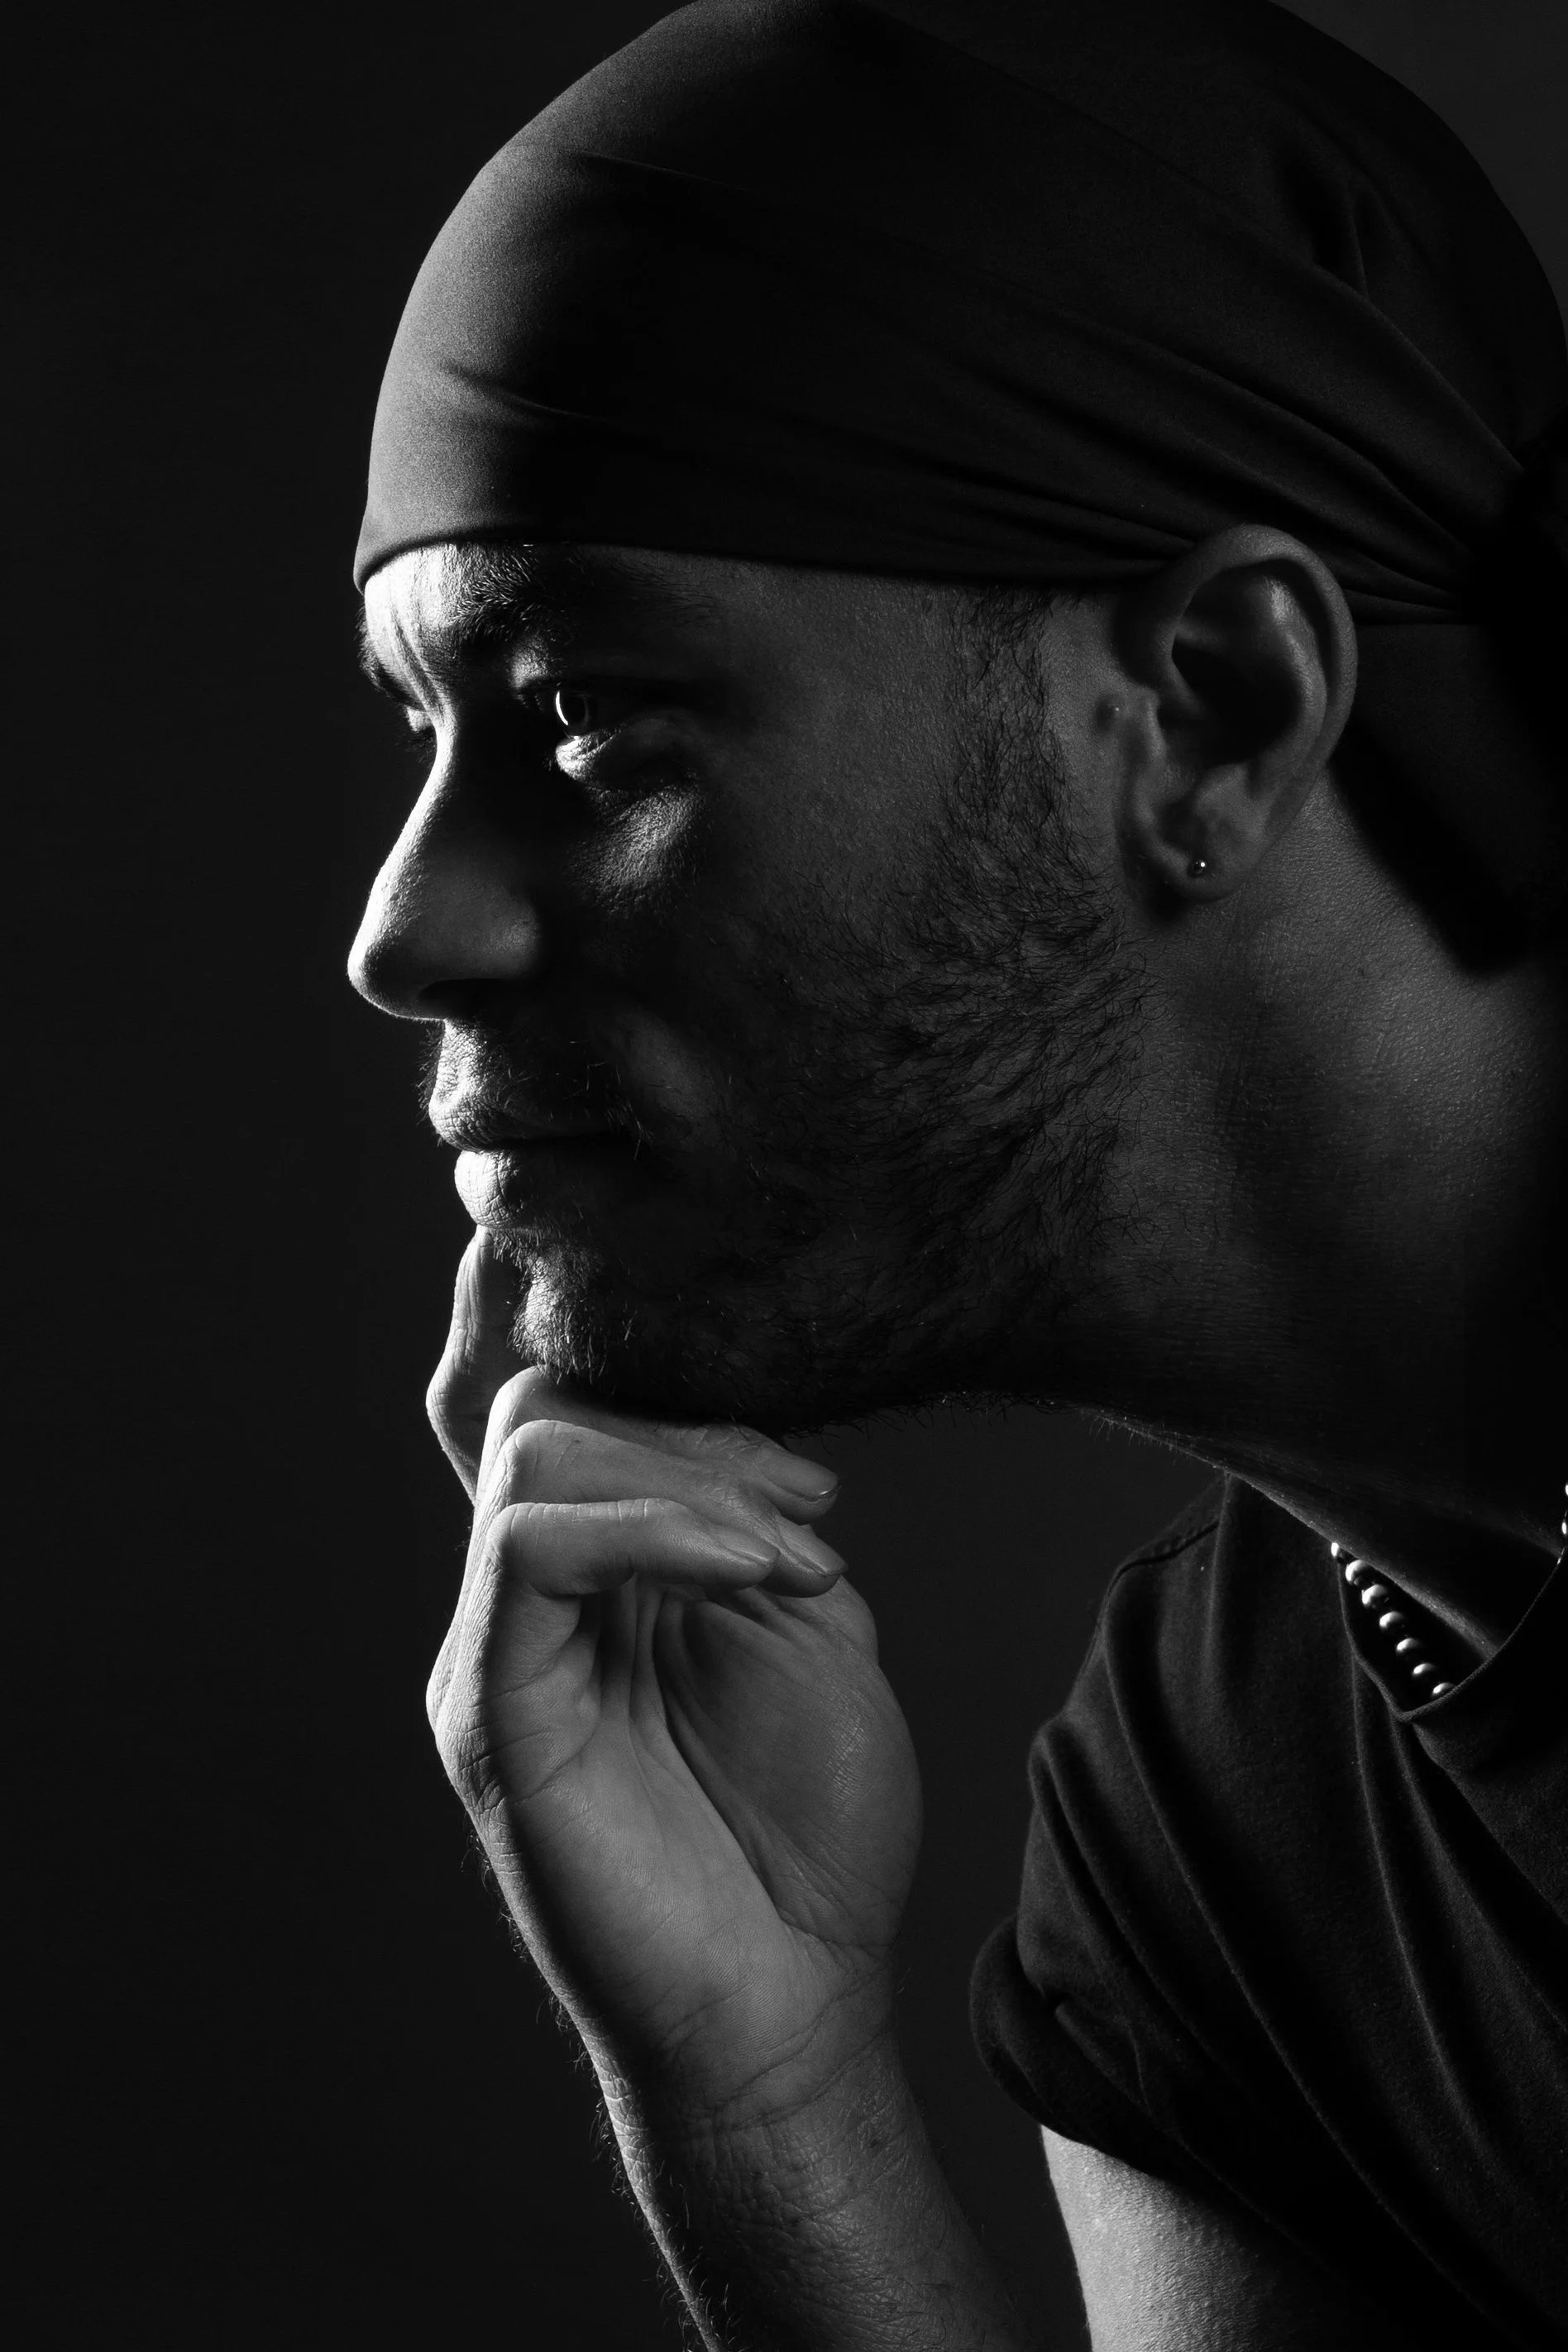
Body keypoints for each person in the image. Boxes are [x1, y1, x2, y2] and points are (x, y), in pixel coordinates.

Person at [346, 0, 1567, 2340]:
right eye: (420, 733)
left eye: (591, 715)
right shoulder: (1217, 1821)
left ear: (1213, 703)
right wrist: (761, 2096)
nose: (405, 924)